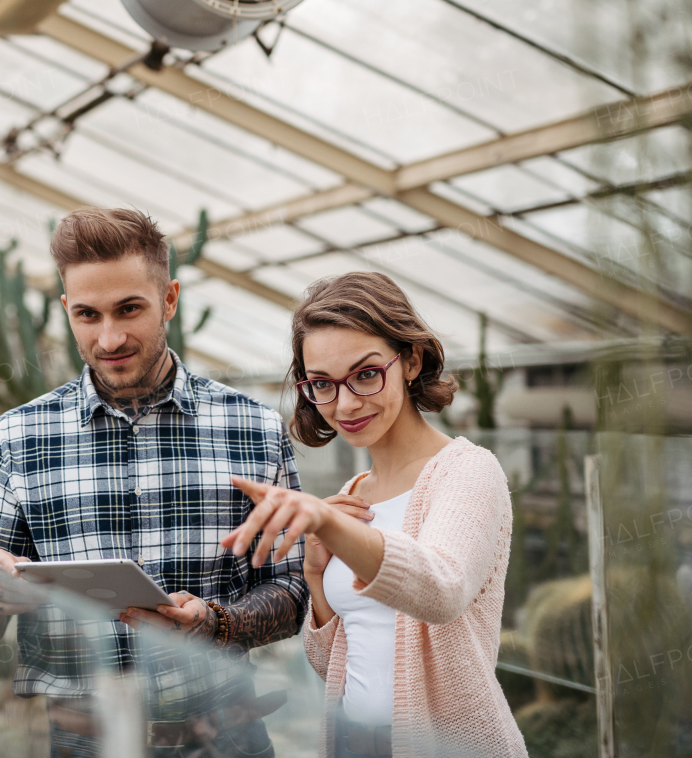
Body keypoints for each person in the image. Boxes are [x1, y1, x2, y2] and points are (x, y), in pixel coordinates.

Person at [0, 207, 335, 757]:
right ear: (66, 311)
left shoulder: (252, 430)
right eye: (87, 314)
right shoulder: (15, 439)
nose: (109, 337)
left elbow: (296, 593)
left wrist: (216, 624)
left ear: (170, 299)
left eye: (130, 309)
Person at [221, 272, 527, 758]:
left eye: (365, 374)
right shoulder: (353, 493)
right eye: (321, 384)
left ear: (410, 360)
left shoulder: (467, 471)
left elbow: (441, 589)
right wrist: (316, 575)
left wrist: (329, 524)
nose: (343, 405)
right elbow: (332, 663)